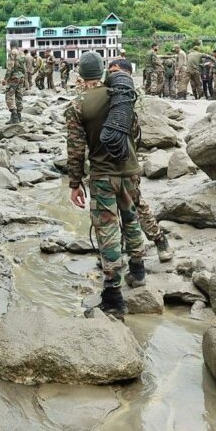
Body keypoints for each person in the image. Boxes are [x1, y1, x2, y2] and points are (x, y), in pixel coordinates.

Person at [65, 52, 147, 318]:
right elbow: (135, 132)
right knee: (132, 218)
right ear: (102, 72)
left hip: (102, 175)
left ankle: (113, 295)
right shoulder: (121, 95)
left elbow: (76, 150)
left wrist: (75, 183)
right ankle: (138, 269)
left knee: (108, 231)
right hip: (130, 170)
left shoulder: (78, 105)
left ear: (81, 74)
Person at [106, 59, 174, 263]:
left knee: (137, 206)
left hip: (127, 165)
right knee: (111, 213)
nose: (111, 75)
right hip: (107, 166)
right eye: (109, 71)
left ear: (126, 74)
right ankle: (120, 250)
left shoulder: (128, 101)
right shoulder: (108, 97)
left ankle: (159, 241)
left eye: (115, 71)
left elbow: (135, 134)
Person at [3, 47, 27, 123]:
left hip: (14, 77)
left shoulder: (12, 53)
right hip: (21, 76)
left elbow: (10, 67)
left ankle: (14, 116)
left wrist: (5, 79)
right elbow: (24, 67)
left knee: (9, 95)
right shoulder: (22, 53)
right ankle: (19, 116)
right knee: (19, 95)